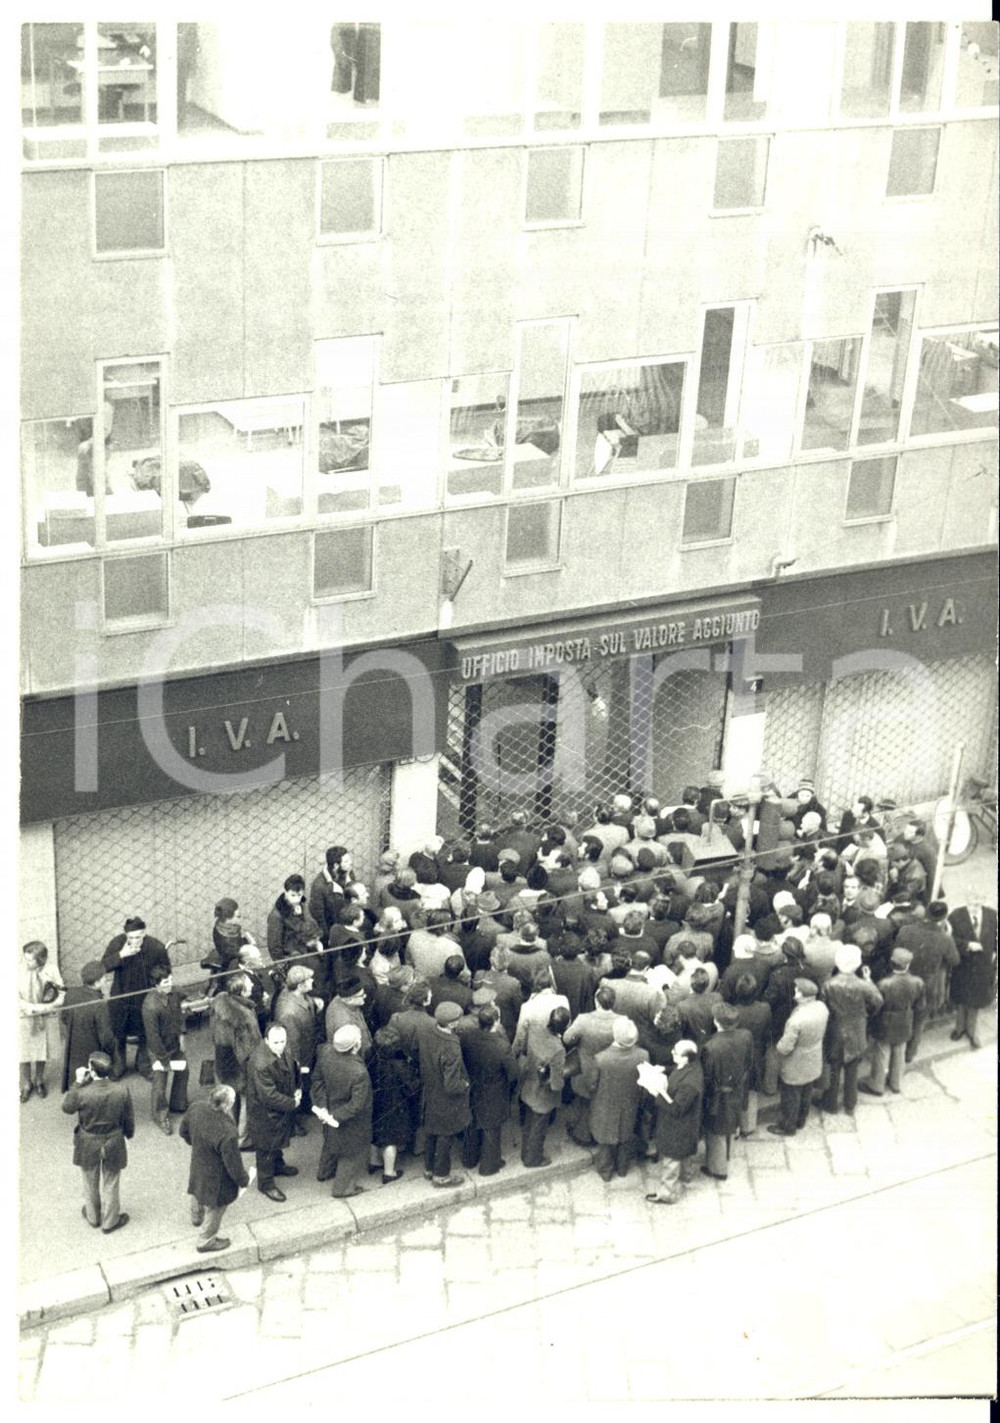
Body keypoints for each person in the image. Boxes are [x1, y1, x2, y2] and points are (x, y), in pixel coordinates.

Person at [61, 1051, 134, 1234]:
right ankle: (110, 1221)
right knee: (111, 1181)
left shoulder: (82, 1092)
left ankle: (93, 1216)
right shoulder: (121, 1090)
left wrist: (77, 1082)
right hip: (113, 1140)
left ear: (92, 1071)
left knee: (89, 1180)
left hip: (88, 1142)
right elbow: (128, 1118)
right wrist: (128, 1134)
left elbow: (67, 1107)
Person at [179, 1085, 250, 1253]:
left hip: (198, 1160)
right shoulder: (227, 1131)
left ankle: (196, 1216)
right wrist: (243, 1180)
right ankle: (206, 1240)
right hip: (217, 1174)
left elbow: (183, 1131)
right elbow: (233, 1163)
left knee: (197, 1187)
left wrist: (197, 1144)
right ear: (227, 1105)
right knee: (218, 1205)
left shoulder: (196, 1108)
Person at [102, 917, 170, 1080]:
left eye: (138, 937)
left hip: (144, 999)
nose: (134, 941)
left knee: (145, 1033)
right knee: (118, 1032)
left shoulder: (156, 947)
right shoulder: (117, 943)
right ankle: (119, 1064)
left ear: (144, 933)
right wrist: (121, 955)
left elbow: (166, 971)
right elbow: (103, 966)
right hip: (120, 997)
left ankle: (144, 1065)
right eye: (130, 937)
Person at [821, 944, 883, 1115]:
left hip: (835, 1030)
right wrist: (867, 1013)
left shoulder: (828, 984)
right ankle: (850, 1104)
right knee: (852, 1070)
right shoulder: (864, 985)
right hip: (857, 1030)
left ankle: (830, 1103)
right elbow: (878, 1001)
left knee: (834, 1070)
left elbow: (824, 1006)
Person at [312, 1024, 373, 1198]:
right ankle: (343, 1189)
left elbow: (317, 1081)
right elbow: (357, 1105)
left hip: (329, 1109)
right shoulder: (359, 1072)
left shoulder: (325, 1054)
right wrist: (334, 1116)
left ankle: (324, 1172)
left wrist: (324, 1108)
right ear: (355, 1046)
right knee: (350, 1153)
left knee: (330, 1141)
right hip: (348, 1119)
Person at [586, 1017, 649, 1181]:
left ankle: (606, 1172)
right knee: (625, 1137)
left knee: (606, 1142)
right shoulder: (643, 1055)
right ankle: (622, 1169)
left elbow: (592, 1085)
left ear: (615, 1036)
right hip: (630, 1105)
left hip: (605, 1106)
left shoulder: (601, 1058)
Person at [644, 1039, 705, 1205]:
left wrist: (657, 1094)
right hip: (687, 1127)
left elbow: (677, 1108)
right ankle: (686, 1177)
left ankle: (667, 1194)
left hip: (678, 1127)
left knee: (671, 1159)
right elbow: (678, 1069)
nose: (672, 1052)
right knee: (685, 1153)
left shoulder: (689, 1084)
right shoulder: (693, 1065)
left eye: (675, 1052)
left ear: (685, 1058)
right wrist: (664, 1068)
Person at [460, 1003, 518, 1176]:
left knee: (472, 1124)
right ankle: (489, 1165)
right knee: (491, 1127)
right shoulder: (502, 1046)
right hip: (493, 1091)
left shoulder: (468, 1037)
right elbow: (514, 1073)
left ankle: (469, 1159)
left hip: (473, 1086)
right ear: (497, 1021)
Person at [246, 1023, 301, 1202]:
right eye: (276, 1042)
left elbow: (293, 1069)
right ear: (266, 1041)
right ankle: (266, 1183)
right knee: (266, 1148)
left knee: (275, 1141)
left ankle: (277, 1165)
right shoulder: (261, 1064)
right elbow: (268, 1096)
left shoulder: (282, 1050)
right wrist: (293, 1102)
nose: (280, 1046)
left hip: (276, 1110)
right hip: (265, 1113)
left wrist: (298, 1088)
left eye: (283, 1041)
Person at [419, 1001, 472, 1188]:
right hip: (446, 1099)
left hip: (431, 1091)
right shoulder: (451, 1046)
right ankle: (441, 1176)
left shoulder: (427, 1032)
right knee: (445, 1136)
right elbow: (452, 1085)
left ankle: (429, 1168)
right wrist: (465, 1084)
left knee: (432, 1132)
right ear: (452, 1024)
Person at [861, 948, 926, 1096]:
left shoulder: (884, 983)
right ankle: (896, 1083)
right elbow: (920, 1007)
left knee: (882, 1053)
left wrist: (868, 980)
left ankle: (877, 1085)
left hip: (885, 1023)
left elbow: (875, 1001)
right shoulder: (918, 982)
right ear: (908, 965)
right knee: (900, 1051)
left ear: (892, 963)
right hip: (905, 1021)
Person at [768, 979, 829, 1137]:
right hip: (813, 1057)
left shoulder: (796, 1020)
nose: (795, 992)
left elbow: (786, 1047)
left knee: (791, 1096)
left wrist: (777, 1048)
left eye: (797, 991)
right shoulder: (822, 1008)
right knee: (807, 1090)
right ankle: (801, 1120)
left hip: (795, 1062)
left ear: (804, 996)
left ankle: (788, 1127)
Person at [562, 984, 621, 1146]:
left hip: (586, 1069)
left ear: (596, 1001)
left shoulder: (583, 1020)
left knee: (584, 1102)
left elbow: (567, 1038)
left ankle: (584, 1135)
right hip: (609, 1070)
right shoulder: (620, 1021)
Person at [700, 1003, 753, 1179]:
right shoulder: (746, 1035)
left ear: (716, 1022)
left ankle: (718, 1170)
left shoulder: (711, 1046)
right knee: (730, 1124)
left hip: (719, 1097)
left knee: (717, 1133)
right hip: (738, 1089)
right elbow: (749, 1061)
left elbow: (707, 1077)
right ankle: (726, 1155)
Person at [209, 973, 261, 1145]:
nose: (252, 985)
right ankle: (242, 1139)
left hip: (223, 1060)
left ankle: (229, 1134)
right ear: (243, 992)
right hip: (239, 1066)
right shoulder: (244, 1016)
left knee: (230, 1101)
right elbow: (248, 1049)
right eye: (249, 984)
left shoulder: (220, 1002)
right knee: (247, 1100)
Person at [272, 964, 322, 1133]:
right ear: (300, 985)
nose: (312, 981)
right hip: (299, 1057)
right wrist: (299, 1066)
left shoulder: (293, 994)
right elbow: (292, 1045)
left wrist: (314, 1003)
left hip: (308, 1049)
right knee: (294, 1088)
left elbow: (305, 1003)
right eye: (309, 979)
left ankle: (304, 1107)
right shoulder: (289, 1012)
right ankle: (292, 1125)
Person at [518, 1006, 570, 1168]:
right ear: (565, 1026)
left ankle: (525, 1153)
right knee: (539, 1128)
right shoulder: (558, 1049)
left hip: (529, 1085)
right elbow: (556, 1084)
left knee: (529, 1124)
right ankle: (533, 1159)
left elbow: (524, 1050)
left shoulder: (534, 1029)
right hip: (543, 1095)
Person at [141, 964, 189, 1135]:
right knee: (160, 1084)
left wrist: (182, 1034)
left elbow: (179, 1014)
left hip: (174, 1043)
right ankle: (160, 1116)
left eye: (171, 980)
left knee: (184, 1071)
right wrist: (164, 1060)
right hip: (159, 1050)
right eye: (166, 982)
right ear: (156, 984)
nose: (171, 984)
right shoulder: (150, 1006)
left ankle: (178, 1104)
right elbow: (153, 1037)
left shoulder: (173, 992)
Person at [948, 892, 998, 1049]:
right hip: (963, 965)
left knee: (976, 1001)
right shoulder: (956, 916)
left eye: (977, 904)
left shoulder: (993, 915)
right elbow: (949, 939)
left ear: (983, 901)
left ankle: (972, 1032)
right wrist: (967, 945)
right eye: (970, 904)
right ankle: (959, 1028)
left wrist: (995, 954)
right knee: (961, 998)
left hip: (983, 966)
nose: (974, 908)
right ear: (966, 901)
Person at [60, 959, 115, 1095]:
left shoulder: (71, 993)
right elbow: (106, 1036)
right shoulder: (100, 1004)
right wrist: (112, 1052)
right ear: (96, 983)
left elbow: (64, 1017)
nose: (105, 980)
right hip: (92, 1046)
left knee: (76, 1077)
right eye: (103, 978)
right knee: (92, 1083)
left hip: (74, 1043)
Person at [19, 941, 65, 1102]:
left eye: (30, 960)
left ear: (41, 960)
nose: (26, 962)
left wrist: (49, 1006)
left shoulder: (51, 970)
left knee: (41, 1050)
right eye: (25, 958)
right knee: (23, 1052)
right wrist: (31, 1008)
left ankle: (39, 1080)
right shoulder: (17, 970)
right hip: (24, 1017)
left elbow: (61, 993)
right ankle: (26, 1084)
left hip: (45, 1017)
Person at [211, 899, 254, 978]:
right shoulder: (226, 937)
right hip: (231, 964)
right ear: (228, 919)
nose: (240, 919)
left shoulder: (228, 928)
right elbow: (235, 952)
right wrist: (248, 944)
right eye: (237, 916)